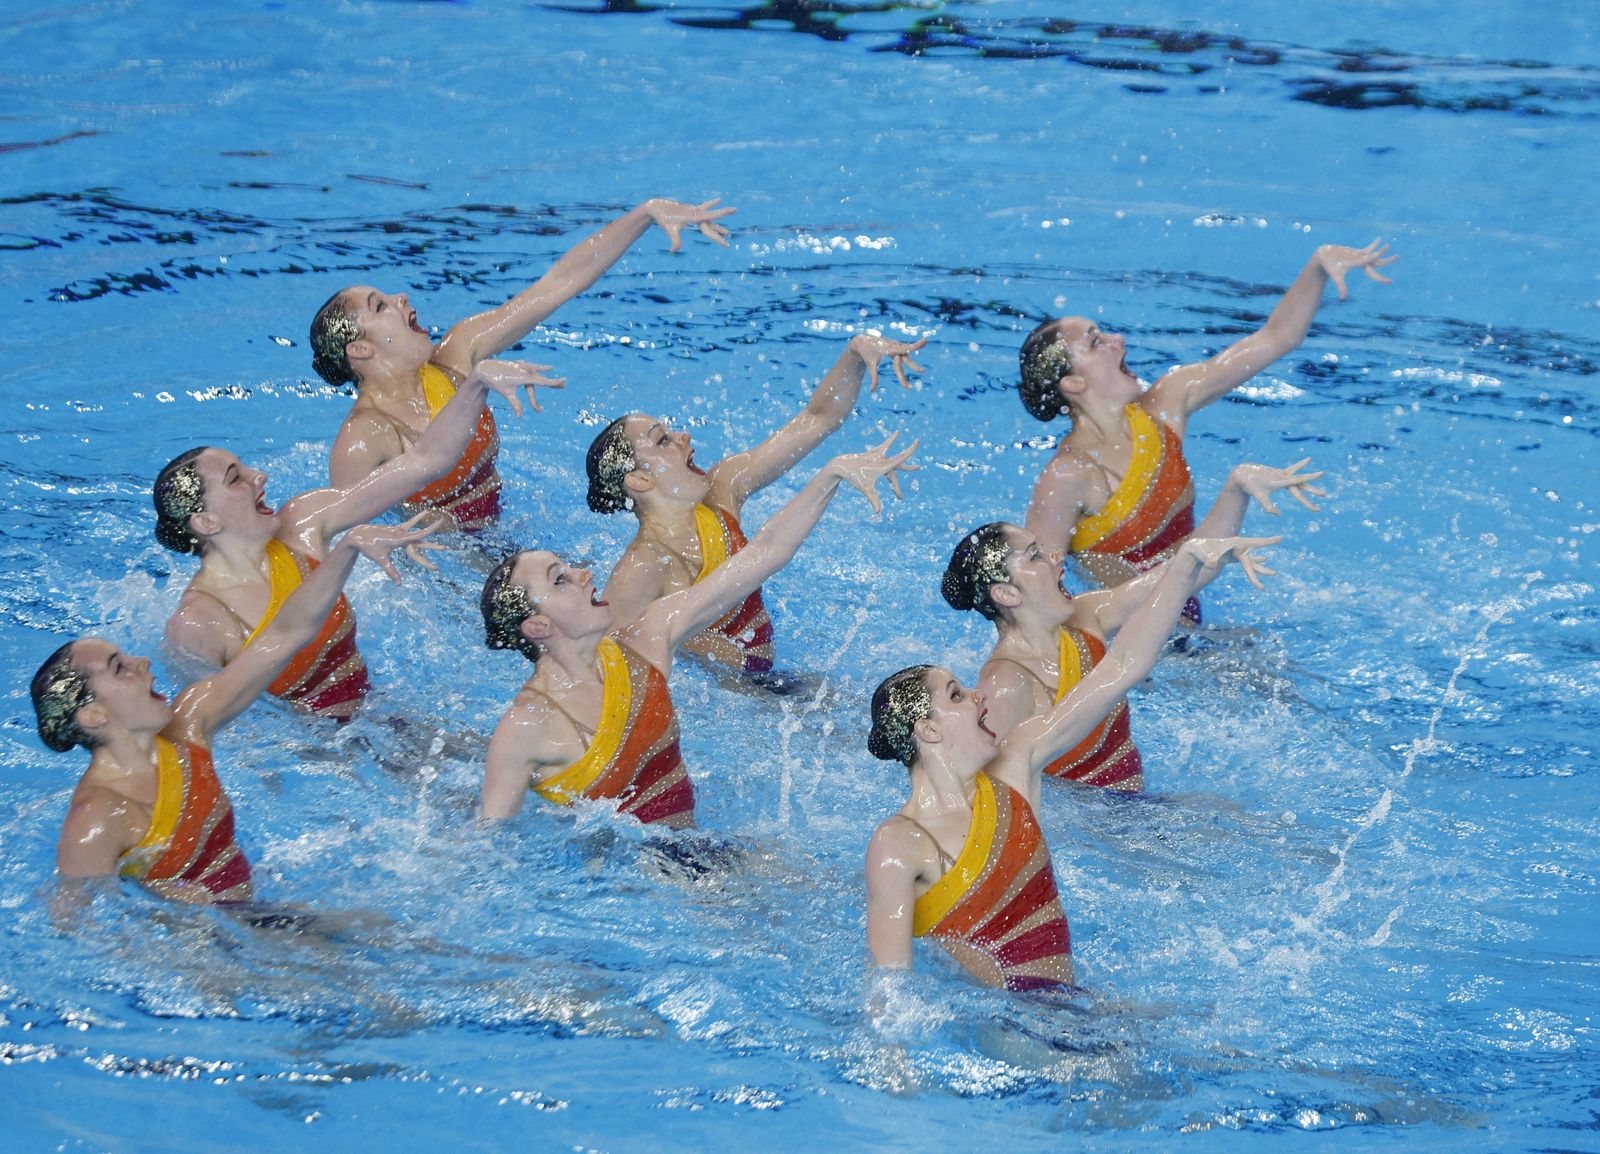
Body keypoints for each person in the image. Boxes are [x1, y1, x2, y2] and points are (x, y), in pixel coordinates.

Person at [865, 534, 1277, 992]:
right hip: (1009, 1027)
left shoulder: (1018, 762)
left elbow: (1123, 666)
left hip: (1068, 1007)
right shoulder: (899, 843)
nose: (979, 695)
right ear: (929, 730)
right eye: (957, 696)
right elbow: (889, 989)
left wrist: (1185, 565)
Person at [479, 436, 919, 825]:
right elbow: (490, 848)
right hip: (614, 886)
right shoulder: (524, 728)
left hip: (691, 855)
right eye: (560, 579)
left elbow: (765, 553)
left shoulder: (648, 638)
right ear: (538, 626)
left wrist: (832, 474)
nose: (584, 574)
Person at [32, 521, 433, 904]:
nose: (142, 663)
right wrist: (156, 906)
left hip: (253, 915)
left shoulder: (190, 723)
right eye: (120, 668)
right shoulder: (95, 821)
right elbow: (78, 929)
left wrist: (349, 547)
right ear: (93, 715)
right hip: (203, 954)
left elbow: (283, 635)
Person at [1019, 240, 1393, 621]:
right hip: (1130, 641)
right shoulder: (1067, 477)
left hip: (1188, 619)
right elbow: (1035, 597)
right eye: (1097, 341)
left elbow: (1274, 339)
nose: (1119, 341)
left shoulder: (1167, 403)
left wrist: (1317, 267)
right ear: (1074, 385)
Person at [310, 197, 737, 530]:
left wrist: (644, 214)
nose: (400, 298)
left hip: (502, 533)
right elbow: (346, 535)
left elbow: (558, 284)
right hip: (440, 569)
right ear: (360, 349)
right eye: (380, 305)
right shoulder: (362, 441)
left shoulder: (458, 354)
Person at [156, 361, 545, 721]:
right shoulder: (197, 624)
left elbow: (423, 461)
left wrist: (476, 383)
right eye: (235, 478)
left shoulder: (303, 522)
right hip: (312, 754)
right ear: (205, 521)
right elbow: (222, 731)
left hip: (374, 712)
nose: (259, 476)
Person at [942, 460, 1324, 790]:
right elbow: (996, 791)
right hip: (1098, 830)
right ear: (1007, 593)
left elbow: (1184, 574)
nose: (1057, 558)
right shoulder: (1007, 685)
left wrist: (1237, 487)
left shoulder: (1086, 614)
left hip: (1133, 807)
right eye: (1035, 556)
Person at [586, 330, 926, 676]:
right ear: (640, 480)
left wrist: (855, 352)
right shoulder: (641, 568)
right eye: (663, 440)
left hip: (767, 680)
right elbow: (605, 664)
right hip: (730, 697)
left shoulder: (723, 488)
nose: (682, 436)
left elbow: (816, 420)